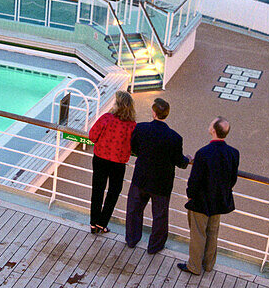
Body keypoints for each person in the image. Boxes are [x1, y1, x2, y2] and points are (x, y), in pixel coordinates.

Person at [125, 97, 189, 254]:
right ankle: (155, 246)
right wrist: (188, 159)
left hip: (141, 178)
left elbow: (134, 147)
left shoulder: (141, 128)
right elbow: (179, 161)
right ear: (166, 114)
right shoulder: (175, 137)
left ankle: (132, 239)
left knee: (134, 210)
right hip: (162, 183)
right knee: (160, 216)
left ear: (153, 113)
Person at [178, 117, 239, 276]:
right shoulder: (233, 153)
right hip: (219, 201)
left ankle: (194, 266)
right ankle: (209, 264)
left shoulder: (203, 153)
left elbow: (194, 180)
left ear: (213, 130)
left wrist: (190, 196)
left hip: (201, 201)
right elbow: (232, 179)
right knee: (213, 233)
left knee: (198, 234)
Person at [87, 90, 136, 233]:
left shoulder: (106, 118)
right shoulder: (132, 126)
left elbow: (92, 136)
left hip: (100, 158)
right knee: (114, 191)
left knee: (97, 190)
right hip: (118, 163)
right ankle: (102, 223)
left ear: (118, 104)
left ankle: (93, 223)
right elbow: (134, 146)